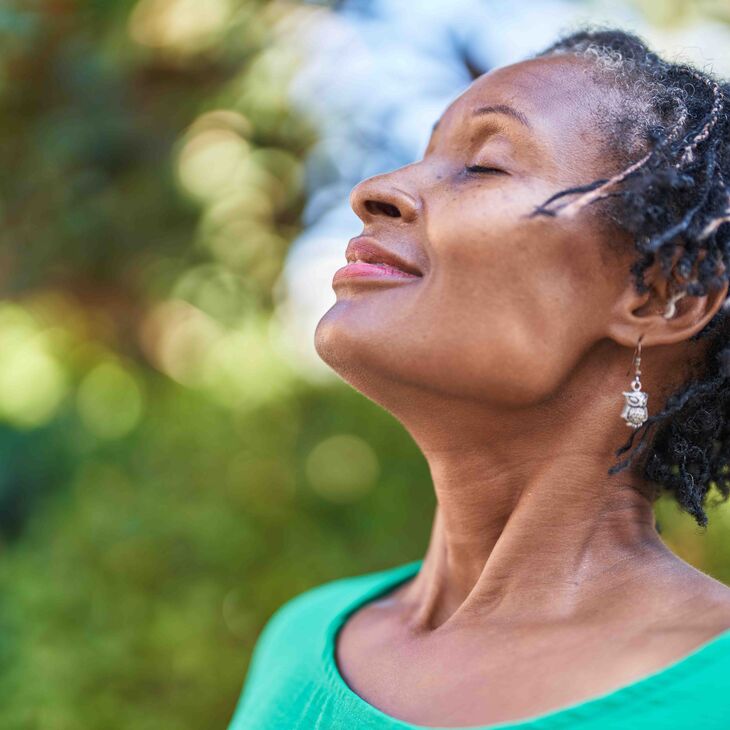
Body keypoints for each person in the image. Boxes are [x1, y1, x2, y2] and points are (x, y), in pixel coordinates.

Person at [227, 27, 730, 729]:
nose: (376, 190)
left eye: (486, 166)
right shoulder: (301, 638)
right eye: (426, 152)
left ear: (659, 295)